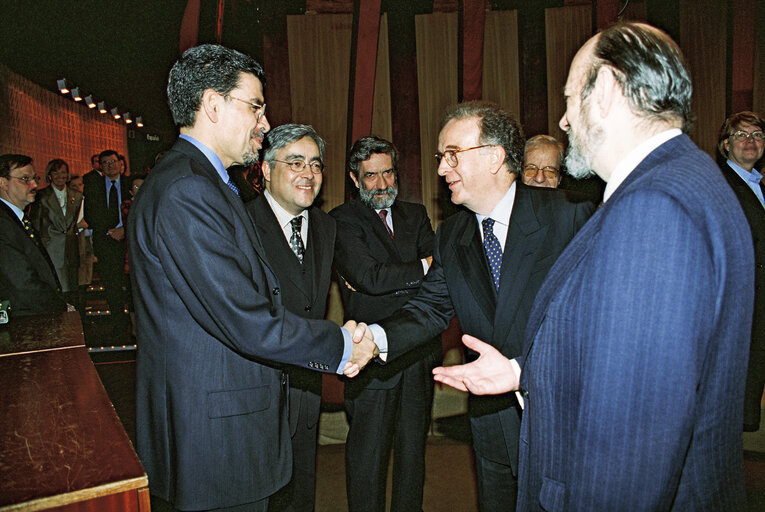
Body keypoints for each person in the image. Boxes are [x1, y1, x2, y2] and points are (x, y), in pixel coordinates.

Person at [433, 22, 754, 510]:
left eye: (569, 98)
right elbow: (623, 356)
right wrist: (524, 372)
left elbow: (634, 430)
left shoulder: (654, 207)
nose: (563, 121)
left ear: (603, 90)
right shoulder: (686, 180)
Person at [128, 44, 376, 512]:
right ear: (213, 104)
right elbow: (247, 319)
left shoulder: (203, 182)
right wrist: (342, 346)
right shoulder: (187, 190)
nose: (264, 122)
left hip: (219, 427)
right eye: (256, 106)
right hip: (214, 437)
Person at [358, 103, 595, 511]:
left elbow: (596, 327)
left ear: (495, 157)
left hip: (564, 422)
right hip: (493, 428)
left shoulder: (570, 218)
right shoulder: (453, 234)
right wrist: (372, 340)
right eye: (440, 158)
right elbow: (430, 309)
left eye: (452, 155)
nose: (441, 170)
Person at [329, 135, 440, 512]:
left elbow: (441, 272)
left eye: (388, 172)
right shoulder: (342, 220)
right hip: (370, 358)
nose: (382, 184)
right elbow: (368, 277)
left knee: (413, 454)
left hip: (418, 352)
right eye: (371, 176)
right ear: (354, 178)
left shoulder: (416, 214)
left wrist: (399, 275)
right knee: (368, 456)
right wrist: (423, 267)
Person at [244, 123, 335, 512]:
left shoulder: (327, 226)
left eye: (315, 164)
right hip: (257, 390)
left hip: (307, 387)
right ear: (266, 169)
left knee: (302, 493)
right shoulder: (240, 224)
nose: (308, 174)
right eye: (295, 162)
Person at [717, 111, 765, 432]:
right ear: (726, 145)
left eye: (757, 135)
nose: (750, 141)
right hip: (737, 304)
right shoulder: (721, 185)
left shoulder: (757, 184)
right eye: (741, 135)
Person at [0, 154, 67, 316]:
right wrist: (59, 307)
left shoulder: (18, 218)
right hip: (22, 318)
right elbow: (22, 282)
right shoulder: (3, 223)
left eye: (35, 178)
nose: (34, 185)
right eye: (24, 179)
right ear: (3, 183)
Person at [83, 149, 129, 336]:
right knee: (112, 285)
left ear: (120, 163)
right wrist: (109, 231)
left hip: (129, 240)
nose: (110, 165)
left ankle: (136, 322)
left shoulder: (130, 184)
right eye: (105, 163)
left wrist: (124, 230)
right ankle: (119, 323)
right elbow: (90, 213)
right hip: (106, 240)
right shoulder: (93, 186)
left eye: (113, 161)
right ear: (100, 167)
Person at [30, 159, 84, 306]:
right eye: (56, 172)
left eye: (63, 172)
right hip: (50, 248)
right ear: (49, 175)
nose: (60, 176)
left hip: (71, 248)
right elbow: (35, 224)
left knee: (73, 289)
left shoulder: (77, 196)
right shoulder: (41, 196)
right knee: (57, 288)